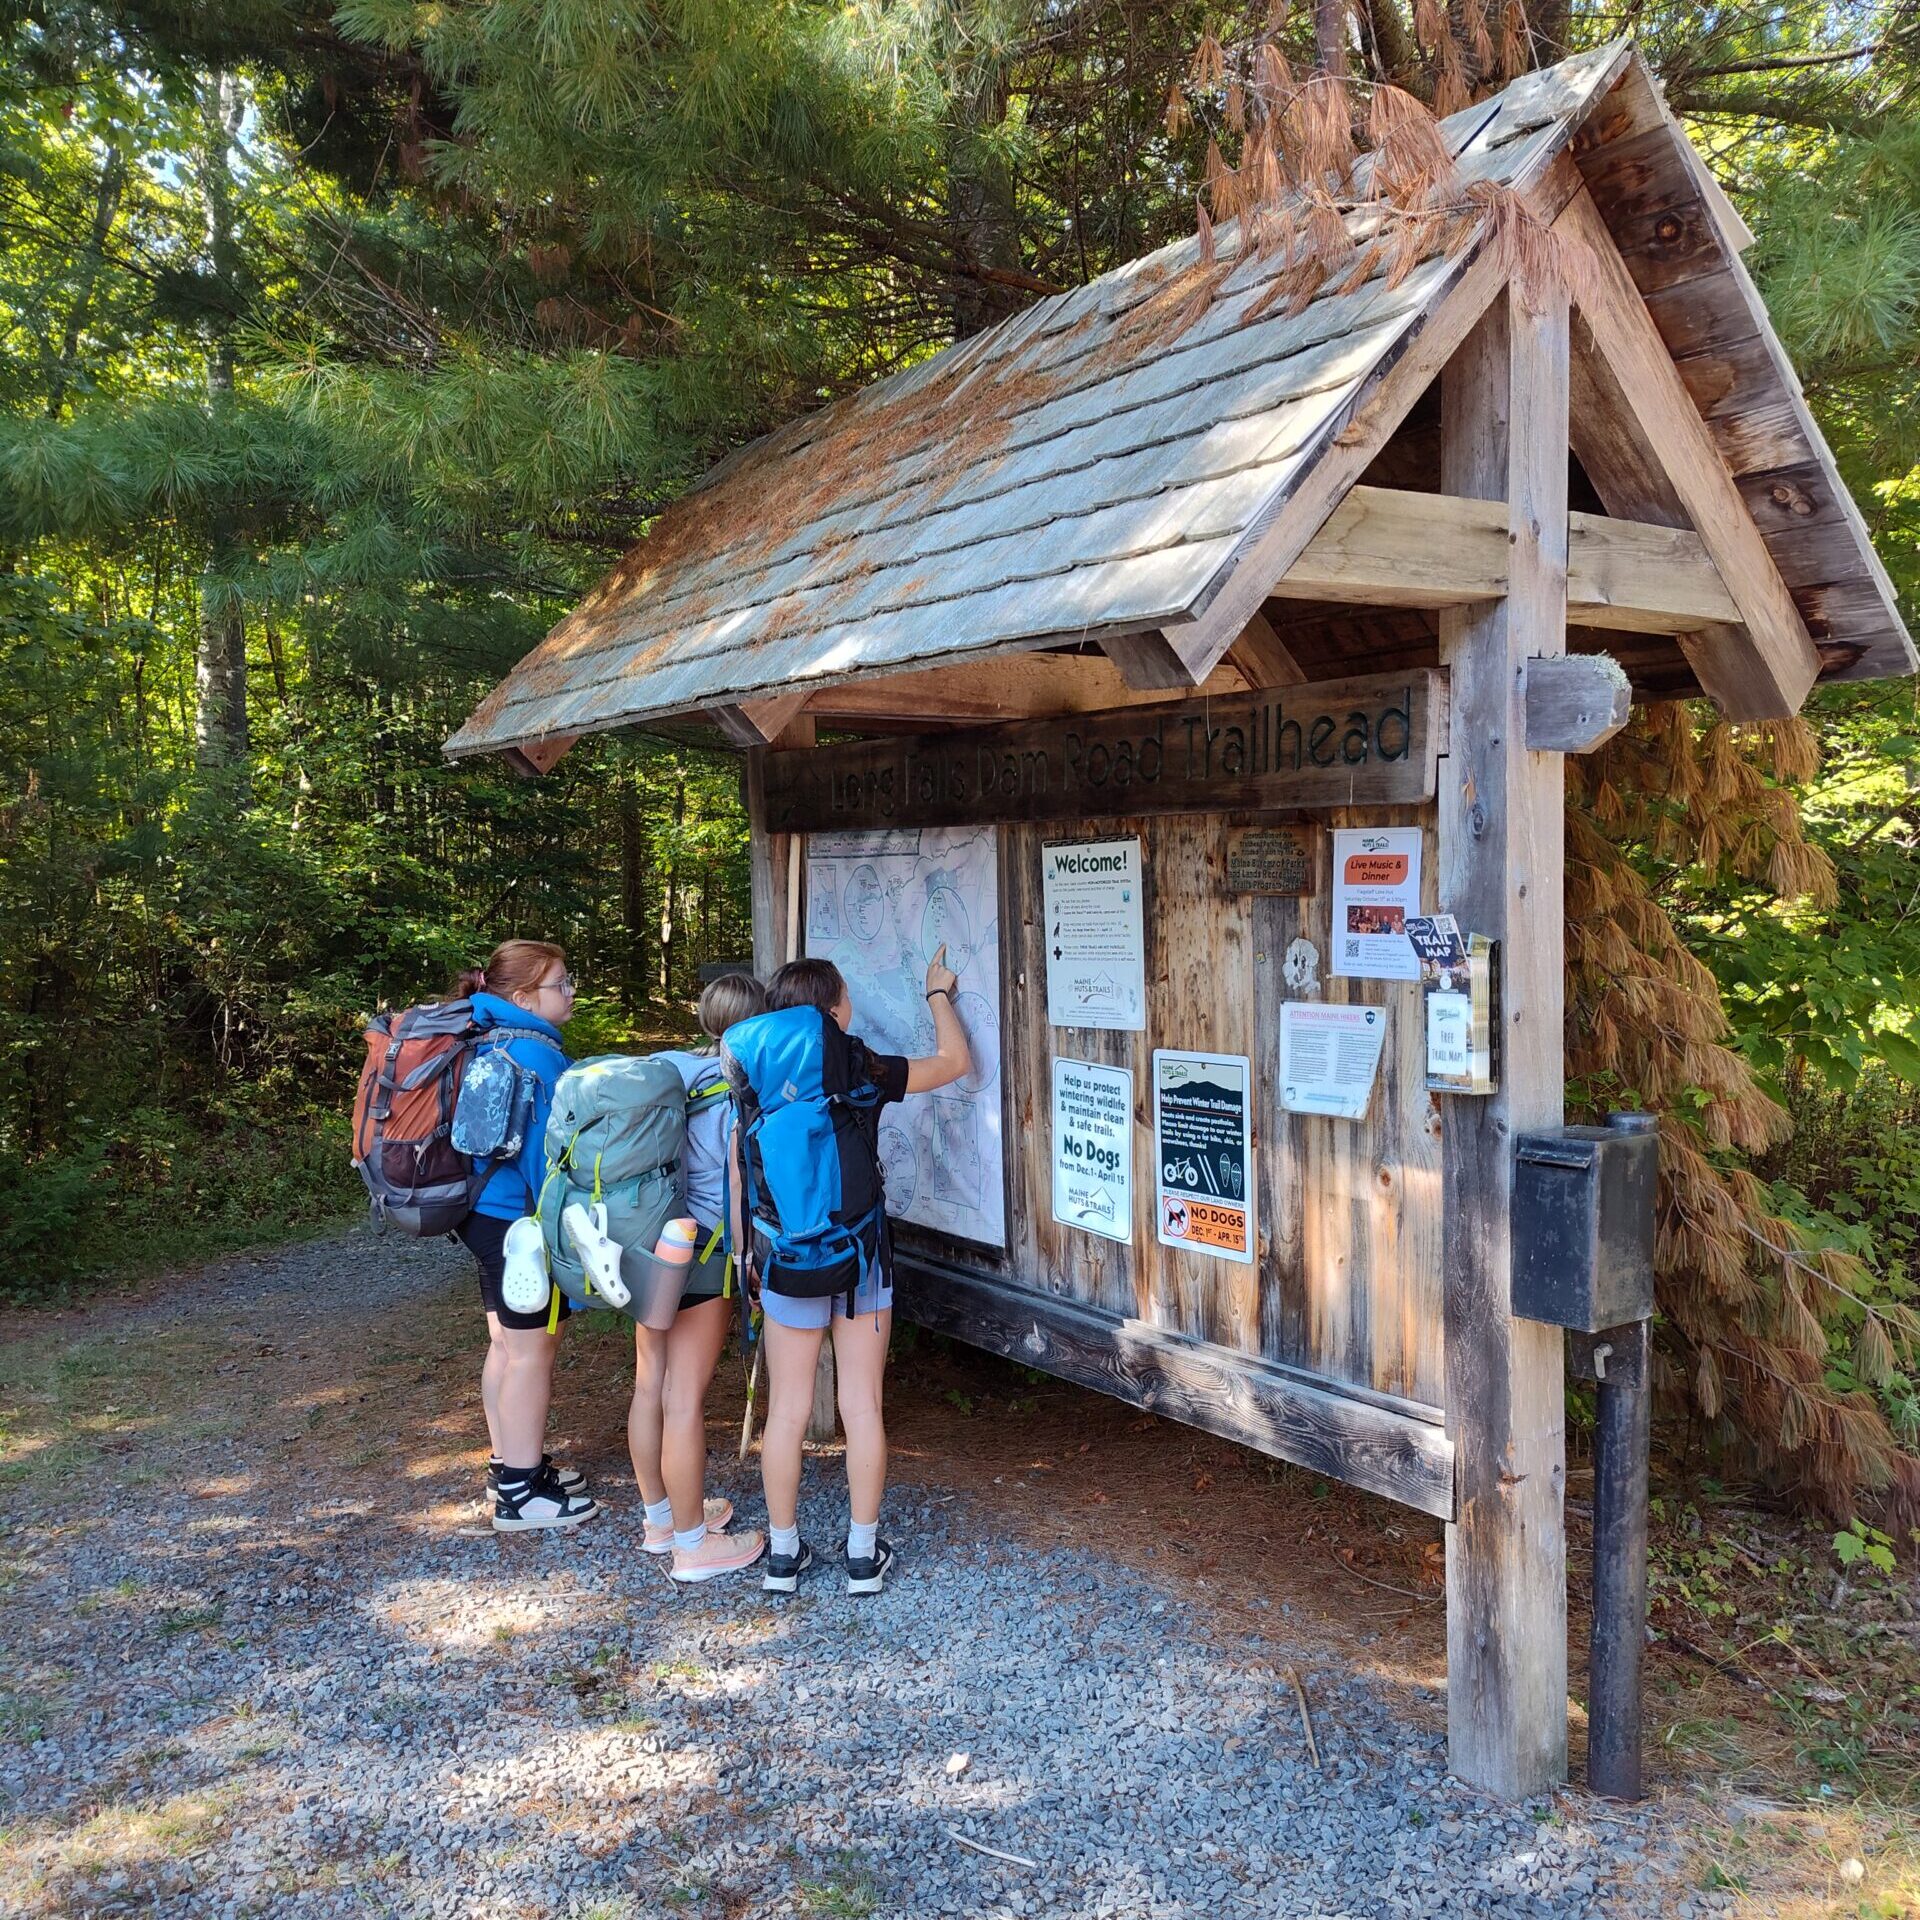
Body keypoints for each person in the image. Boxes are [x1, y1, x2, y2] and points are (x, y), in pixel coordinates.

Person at [734, 947, 970, 1595]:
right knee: (861, 1405)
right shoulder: (856, 1066)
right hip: (860, 1257)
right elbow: (955, 1063)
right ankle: (863, 1557)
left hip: (786, 1259)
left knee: (787, 1410)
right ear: (833, 1008)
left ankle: (783, 1558)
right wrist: (936, 995)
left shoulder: (751, 1073)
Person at [453, 939, 598, 1533]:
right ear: (522, 997)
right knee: (532, 1354)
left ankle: (511, 1463)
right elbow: (551, 1169)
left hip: (479, 1214)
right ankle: (519, 1493)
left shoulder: (486, 1037)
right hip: (519, 1227)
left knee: (508, 1346)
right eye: (559, 984)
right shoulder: (537, 1057)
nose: (569, 992)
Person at [630, 973, 770, 1583]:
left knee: (650, 1387)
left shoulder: (665, 1071)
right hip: (704, 1249)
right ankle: (692, 1547)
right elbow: (739, 1183)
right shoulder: (739, 1089)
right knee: (685, 1401)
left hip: (646, 1245)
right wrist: (747, 1261)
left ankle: (660, 1519)